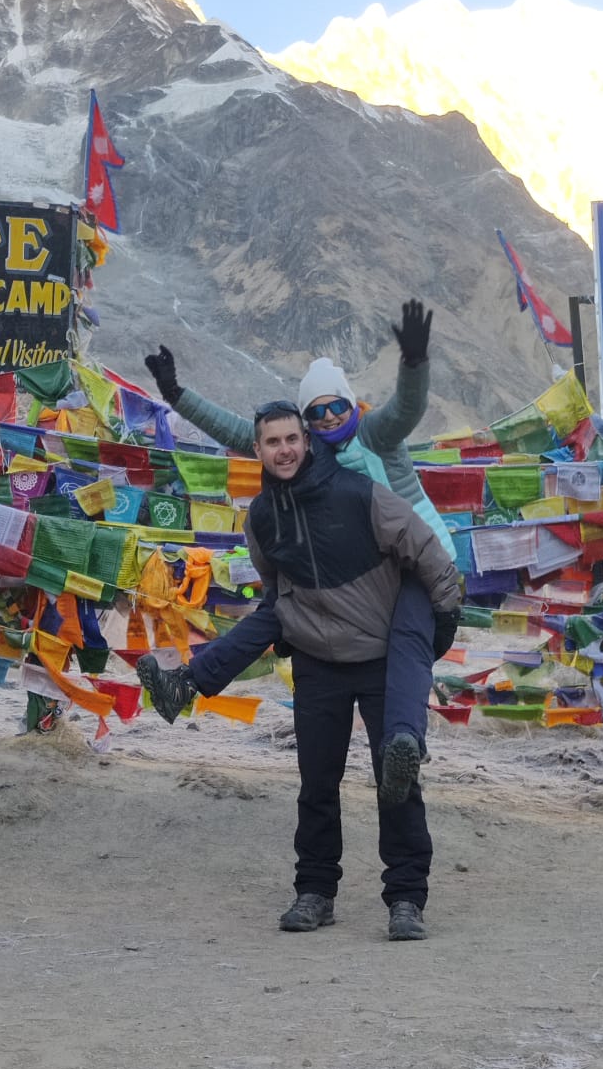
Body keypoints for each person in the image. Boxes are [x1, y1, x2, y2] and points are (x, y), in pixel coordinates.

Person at [137, 401, 460, 941]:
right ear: (258, 450)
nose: (284, 450)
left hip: (381, 656)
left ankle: (406, 899)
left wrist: (440, 624)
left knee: (397, 780)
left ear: (307, 442)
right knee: (316, 785)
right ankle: (315, 892)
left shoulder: (359, 494)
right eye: (272, 442)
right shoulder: (262, 517)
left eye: (292, 439)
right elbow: (275, 587)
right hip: (317, 663)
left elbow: (427, 552)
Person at [143, 303, 455, 789]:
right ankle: (185, 683)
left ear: (351, 404)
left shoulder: (376, 434)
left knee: (408, 639)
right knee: (278, 609)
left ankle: (404, 744)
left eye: (337, 406)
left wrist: (414, 363)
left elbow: (407, 408)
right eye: (317, 412)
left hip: (419, 560)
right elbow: (241, 432)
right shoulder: (311, 450)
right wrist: (176, 395)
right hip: (355, 569)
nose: (329, 418)